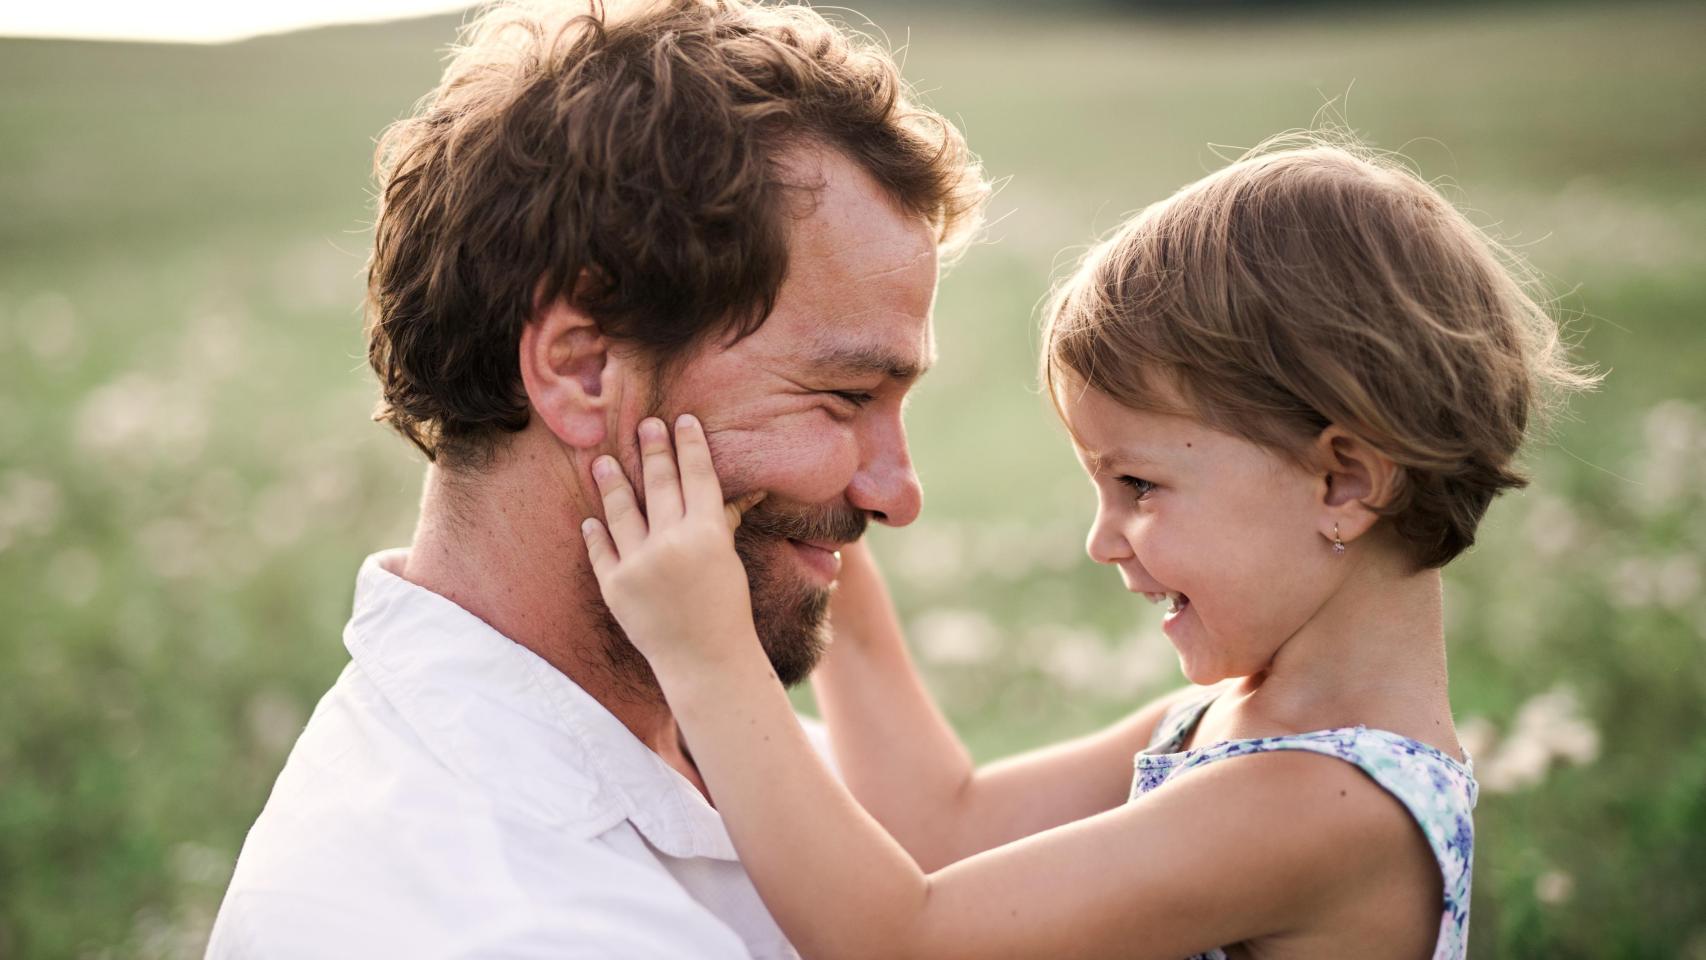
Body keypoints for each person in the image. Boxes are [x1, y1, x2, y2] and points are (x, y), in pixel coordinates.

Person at [581, 137, 1597, 959]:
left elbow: (901, 940)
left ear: (1341, 481)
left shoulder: (1321, 806)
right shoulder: (1226, 721)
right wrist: (815, 525)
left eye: (1139, 486)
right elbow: (940, 827)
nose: (1100, 539)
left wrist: (708, 653)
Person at [205, 0, 986, 955]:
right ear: (583, 371)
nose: (897, 493)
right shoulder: (503, 920)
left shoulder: (703, 735)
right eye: (843, 395)